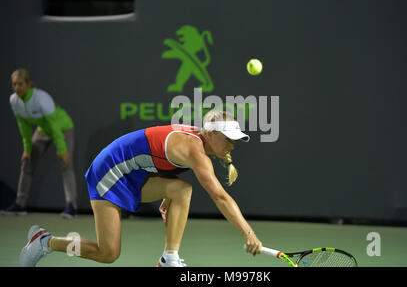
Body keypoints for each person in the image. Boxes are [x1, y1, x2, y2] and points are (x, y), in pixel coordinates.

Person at [19, 110, 263, 267]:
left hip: (134, 173)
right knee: (108, 253)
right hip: (109, 171)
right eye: (228, 138)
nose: (233, 144)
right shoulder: (195, 150)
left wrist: (167, 191)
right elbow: (219, 196)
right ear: (210, 134)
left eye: (235, 138)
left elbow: (150, 155)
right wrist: (248, 233)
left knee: (181, 190)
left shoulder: (196, 141)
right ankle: (45, 242)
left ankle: (169, 258)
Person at [2, 68, 77, 218]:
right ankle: (20, 205)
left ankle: (71, 207)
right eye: (14, 84)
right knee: (27, 162)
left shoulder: (41, 98)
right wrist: (27, 150)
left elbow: (54, 126)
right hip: (43, 130)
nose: (17, 88)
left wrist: (62, 150)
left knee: (65, 164)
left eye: (20, 84)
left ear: (29, 84)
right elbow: (24, 127)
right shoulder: (14, 101)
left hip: (62, 127)